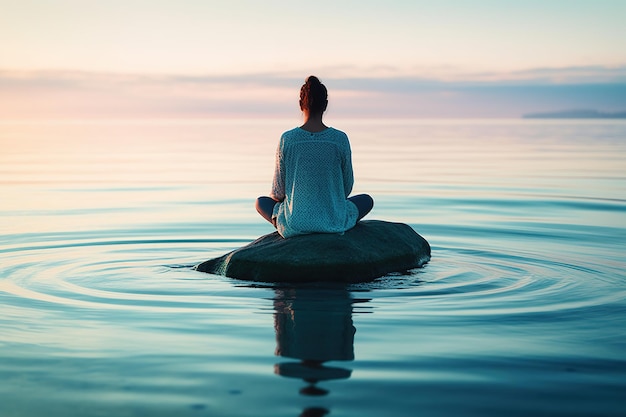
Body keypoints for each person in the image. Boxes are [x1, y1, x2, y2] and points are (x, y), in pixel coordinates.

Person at [256, 76, 373, 238]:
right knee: (367, 200)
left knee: (261, 202)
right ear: (325, 105)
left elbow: (278, 192)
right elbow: (346, 188)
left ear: (300, 105)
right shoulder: (340, 139)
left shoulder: (288, 139)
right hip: (333, 221)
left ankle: (293, 221)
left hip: (295, 225)